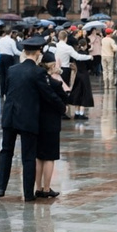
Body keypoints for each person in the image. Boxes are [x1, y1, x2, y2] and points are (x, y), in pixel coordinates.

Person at [0, 37, 66, 202]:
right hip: (27, 118)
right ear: (38, 53)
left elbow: (8, 91)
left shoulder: (12, 69)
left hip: (9, 116)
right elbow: (48, 94)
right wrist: (62, 107)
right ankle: (28, 193)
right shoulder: (38, 72)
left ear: (24, 52)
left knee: (6, 152)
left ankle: (0, 188)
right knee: (28, 156)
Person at [35, 51, 70, 198]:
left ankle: (38, 187)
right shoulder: (56, 84)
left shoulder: (36, 80)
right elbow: (64, 102)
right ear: (53, 66)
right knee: (49, 157)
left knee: (38, 156)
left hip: (37, 120)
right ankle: (47, 188)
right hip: (51, 122)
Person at [0, 30, 22, 98]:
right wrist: (22, 53)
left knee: (2, 76)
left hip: (1, 57)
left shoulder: (1, 39)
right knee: (8, 75)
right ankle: (7, 91)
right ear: (10, 33)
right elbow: (15, 51)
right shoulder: (11, 41)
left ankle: (2, 93)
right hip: (9, 58)